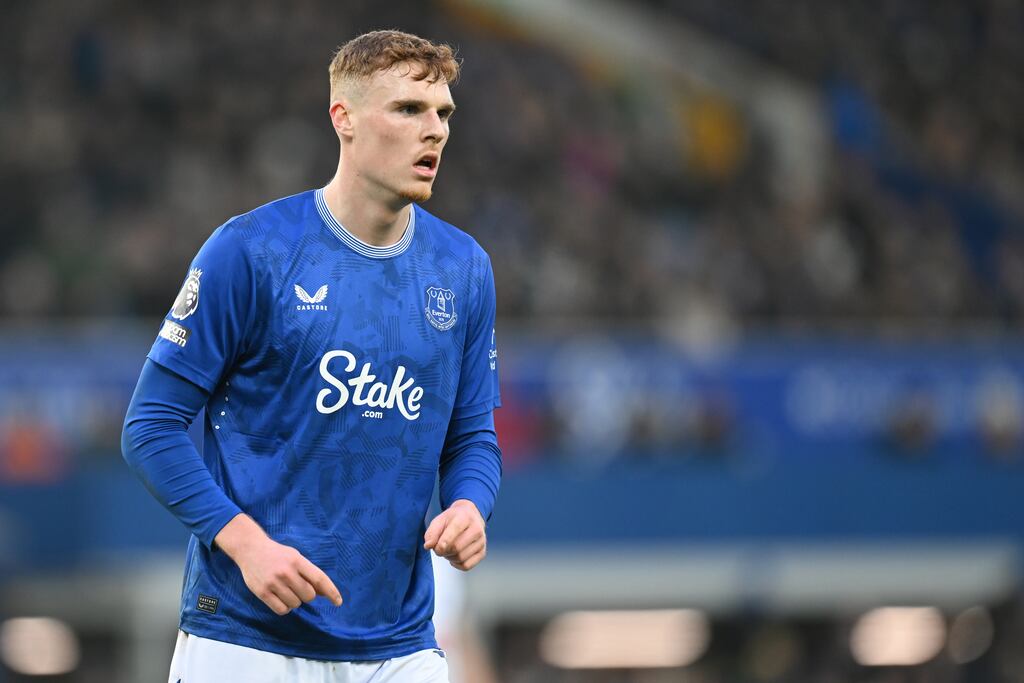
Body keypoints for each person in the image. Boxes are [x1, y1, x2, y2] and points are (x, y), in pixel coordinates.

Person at [121, 29, 502, 683]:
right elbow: (149, 427)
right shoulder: (249, 252)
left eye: (442, 113)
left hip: (402, 645)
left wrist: (471, 503)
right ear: (344, 119)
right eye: (409, 110)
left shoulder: (463, 268)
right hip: (246, 638)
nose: (434, 130)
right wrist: (245, 543)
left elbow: (473, 438)